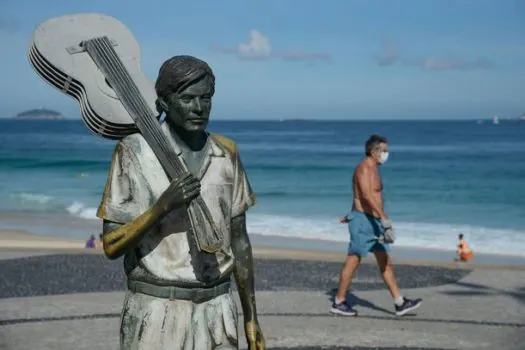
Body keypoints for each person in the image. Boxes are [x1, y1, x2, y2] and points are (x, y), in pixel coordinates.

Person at [97, 55, 265, 349]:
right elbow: (111, 244)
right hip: (157, 310)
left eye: (206, 98)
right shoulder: (134, 152)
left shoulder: (227, 153)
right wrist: (162, 207)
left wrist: (251, 317)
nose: (198, 108)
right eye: (187, 98)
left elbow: (240, 241)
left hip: (218, 309)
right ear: (163, 102)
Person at [331, 134, 422, 317]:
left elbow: (364, 197)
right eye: (384, 151)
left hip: (373, 221)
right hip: (364, 222)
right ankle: (339, 302)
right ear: (374, 152)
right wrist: (383, 219)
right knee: (353, 261)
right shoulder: (363, 168)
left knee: (385, 261)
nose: (386, 154)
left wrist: (379, 219)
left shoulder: (374, 168)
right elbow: (365, 196)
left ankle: (399, 302)